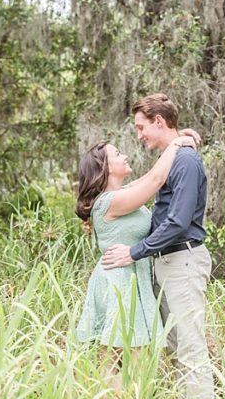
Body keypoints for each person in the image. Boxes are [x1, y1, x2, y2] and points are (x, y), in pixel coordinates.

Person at [101, 94, 214, 399]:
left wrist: (135, 252)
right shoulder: (174, 158)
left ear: (159, 122)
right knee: (177, 350)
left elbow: (178, 221)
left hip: (183, 260)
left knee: (191, 352)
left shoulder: (186, 163)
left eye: (141, 127)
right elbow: (148, 185)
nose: (139, 135)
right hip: (168, 263)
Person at [75, 136, 198, 361]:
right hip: (118, 281)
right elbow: (157, 180)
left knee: (138, 356)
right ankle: (112, 398)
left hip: (134, 277)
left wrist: (175, 139)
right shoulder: (108, 202)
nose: (124, 155)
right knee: (114, 355)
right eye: (117, 154)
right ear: (106, 167)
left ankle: (134, 397)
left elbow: (151, 176)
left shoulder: (122, 194)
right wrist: (176, 144)